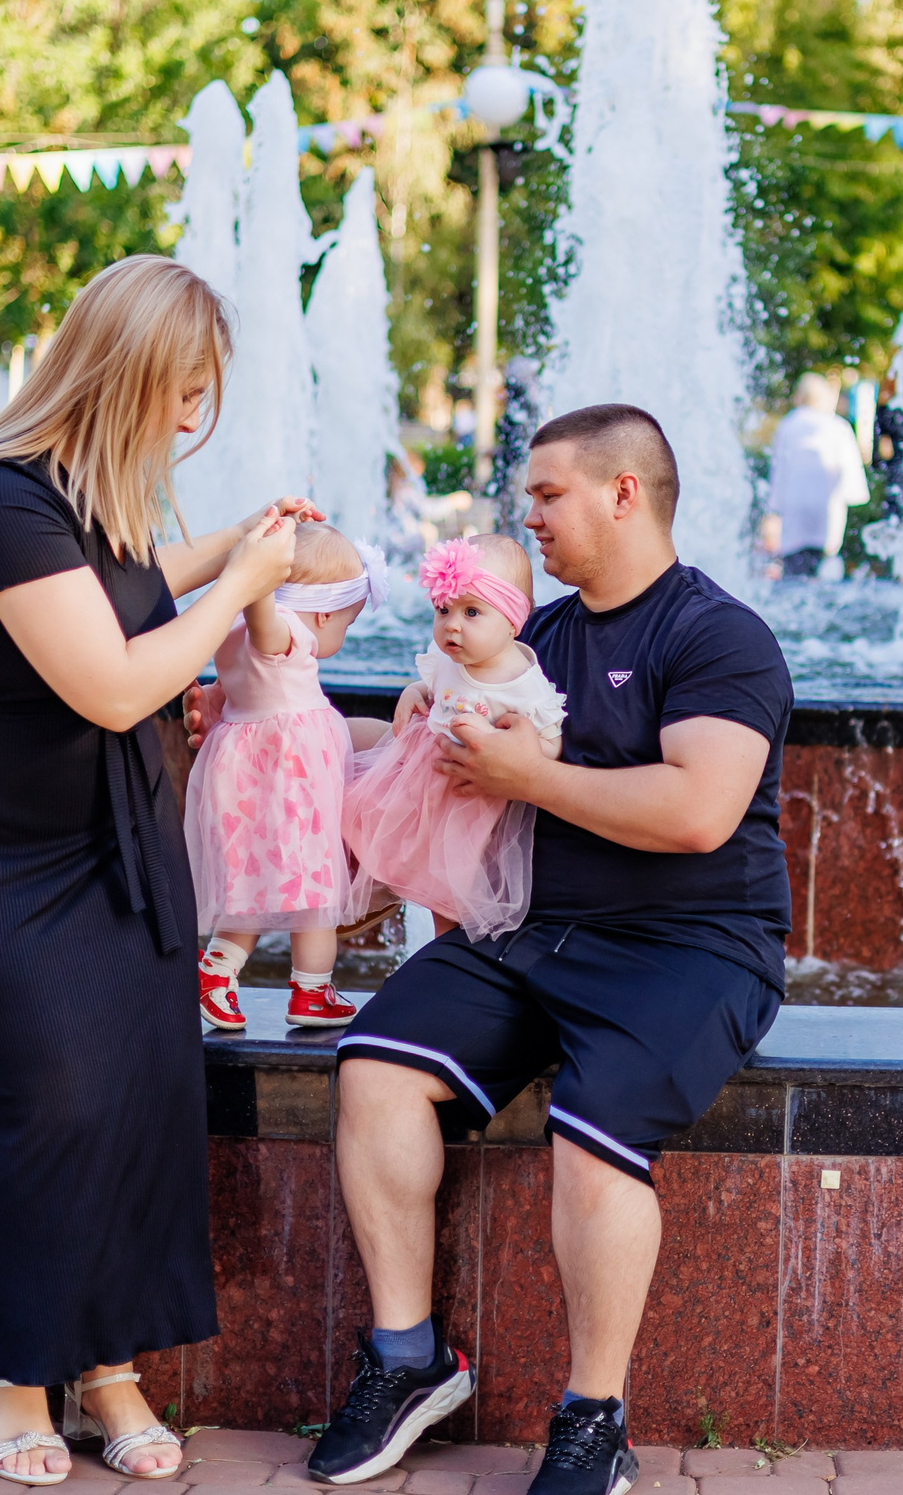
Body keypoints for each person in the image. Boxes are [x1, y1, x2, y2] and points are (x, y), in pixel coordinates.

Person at [311, 404, 792, 1495]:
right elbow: (444, 751)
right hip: (535, 930)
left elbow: (698, 811)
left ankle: (592, 1419)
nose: (526, 515)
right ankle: (408, 1359)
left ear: (623, 493)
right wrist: (293, 730)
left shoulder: (717, 636)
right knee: (375, 1066)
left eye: (547, 494)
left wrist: (530, 777)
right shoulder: (537, 638)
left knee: (592, 1130)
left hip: (693, 944)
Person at [0, 253, 315, 1485]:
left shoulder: (90, 498)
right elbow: (114, 682)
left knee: (135, 1090)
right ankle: (8, 1377)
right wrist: (239, 586)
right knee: (31, 1093)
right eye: (181, 392)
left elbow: (126, 590)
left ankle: (106, 1365)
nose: (190, 420)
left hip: (115, 821)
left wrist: (242, 541)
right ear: (121, 376)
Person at [183, 523, 387, 1035]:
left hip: (249, 772)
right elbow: (267, 626)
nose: (340, 637)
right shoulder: (285, 633)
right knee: (315, 887)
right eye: (346, 624)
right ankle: (312, 991)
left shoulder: (232, 633)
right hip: (291, 778)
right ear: (324, 614)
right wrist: (260, 583)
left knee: (252, 882)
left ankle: (217, 971)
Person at [343, 535, 568, 937]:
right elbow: (433, 685)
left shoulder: (521, 683)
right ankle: (356, 907)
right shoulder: (447, 658)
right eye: (443, 609)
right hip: (413, 780)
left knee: (447, 892)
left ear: (513, 620)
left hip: (466, 801)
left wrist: (520, 755)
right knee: (360, 826)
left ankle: (444, 951)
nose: (452, 625)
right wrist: (414, 692)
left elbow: (551, 742)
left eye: (472, 612)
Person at [767, 372, 868, 579]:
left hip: (795, 503)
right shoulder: (838, 426)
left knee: (795, 566)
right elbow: (851, 471)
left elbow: (779, 468)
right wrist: (853, 497)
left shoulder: (788, 424)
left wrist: (774, 507)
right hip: (827, 504)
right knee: (825, 562)